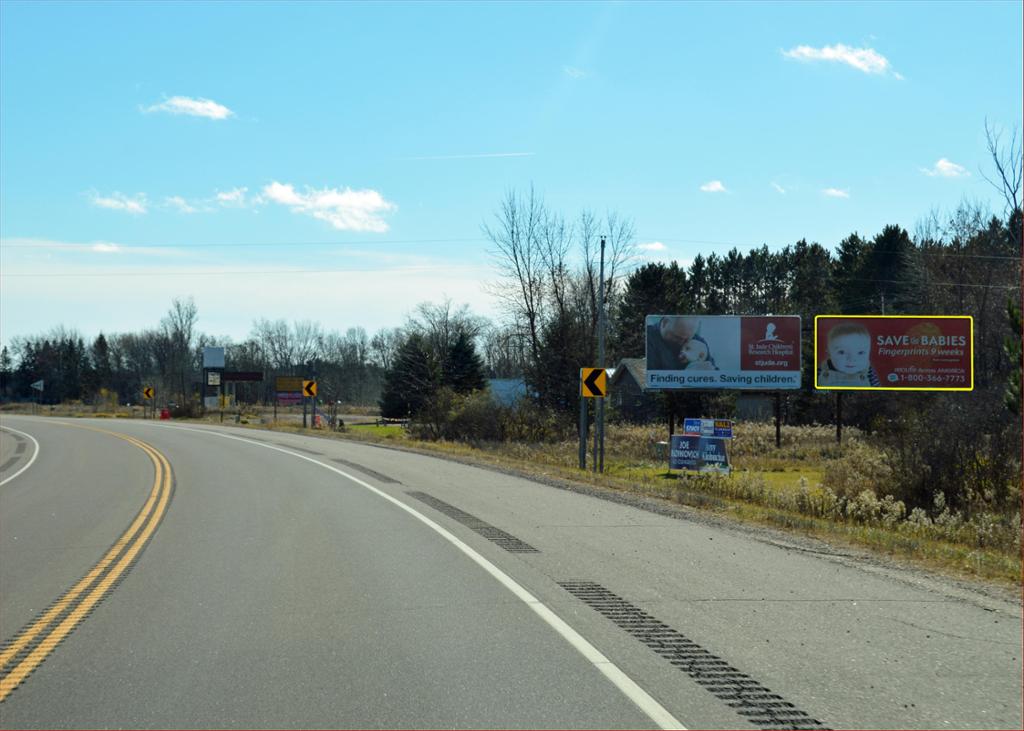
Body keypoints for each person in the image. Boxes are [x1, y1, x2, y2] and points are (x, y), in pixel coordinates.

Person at [818, 322, 880, 386]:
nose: (851, 359)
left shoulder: (868, 371)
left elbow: (877, 388)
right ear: (829, 354)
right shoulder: (823, 369)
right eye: (841, 352)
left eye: (860, 352)